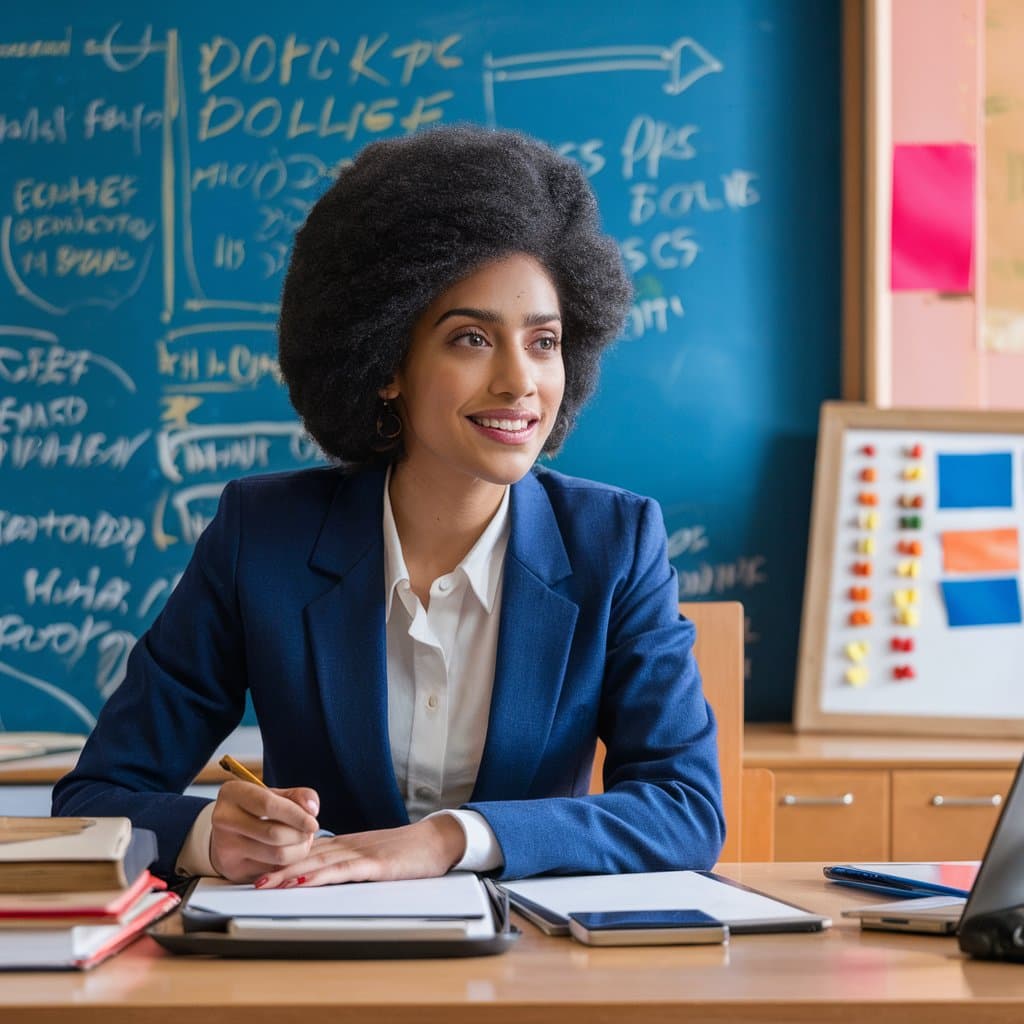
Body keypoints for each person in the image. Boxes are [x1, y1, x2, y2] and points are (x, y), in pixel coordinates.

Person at [52, 124, 724, 887]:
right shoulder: (262, 537)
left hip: (533, 977)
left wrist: (449, 839)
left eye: (543, 342)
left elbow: (686, 809)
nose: (519, 382)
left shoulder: (616, 542)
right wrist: (211, 834)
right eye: (471, 339)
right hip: (318, 965)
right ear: (385, 365)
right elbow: (94, 798)